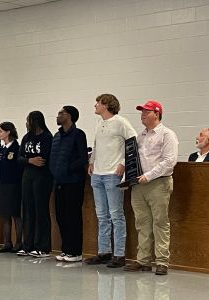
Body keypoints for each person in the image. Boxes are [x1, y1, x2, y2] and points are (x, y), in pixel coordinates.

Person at [124, 100, 178, 276]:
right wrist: (126, 175)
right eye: (142, 112)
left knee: (160, 222)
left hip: (158, 183)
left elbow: (169, 161)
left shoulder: (167, 134)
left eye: (147, 112)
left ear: (157, 113)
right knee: (142, 223)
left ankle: (162, 261)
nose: (143, 115)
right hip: (139, 184)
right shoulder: (140, 137)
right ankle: (143, 260)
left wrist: (149, 175)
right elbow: (133, 160)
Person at [85, 94, 137, 268]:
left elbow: (133, 141)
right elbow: (96, 145)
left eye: (98, 103)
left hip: (112, 174)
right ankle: (104, 251)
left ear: (106, 105)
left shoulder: (121, 122)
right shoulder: (99, 123)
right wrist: (91, 162)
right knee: (102, 216)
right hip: (97, 174)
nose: (95, 105)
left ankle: (119, 254)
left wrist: (123, 163)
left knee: (116, 214)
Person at [49, 106, 88, 262]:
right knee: (61, 216)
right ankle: (66, 249)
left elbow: (82, 158)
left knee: (73, 216)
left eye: (61, 113)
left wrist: (66, 169)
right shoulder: (57, 135)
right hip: (59, 181)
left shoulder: (78, 134)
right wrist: (55, 171)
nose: (58, 116)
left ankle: (76, 251)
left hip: (74, 181)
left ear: (70, 116)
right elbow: (53, 157)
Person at [17, 111, 53, 258]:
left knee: (40, 211)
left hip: (42, 177)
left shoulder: (47, 137)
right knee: (27, 210)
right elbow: (19, 158)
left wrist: (33, 161)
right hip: (27, 176)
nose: (26, 123)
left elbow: (46, 158)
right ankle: (28, 245)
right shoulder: (27, 137)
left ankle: (42, 247)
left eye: (28, 120)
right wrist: (30, 161)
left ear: (36, 121)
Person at [0, 122, 23, 253]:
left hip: (13, 185)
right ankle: (7, 242)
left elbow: (18, 167)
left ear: (8, 132)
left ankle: (19, 242)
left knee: (15, 214)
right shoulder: (1, 149)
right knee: (5, 214)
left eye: (1, 131)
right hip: (2, 185)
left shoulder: (16, 148)